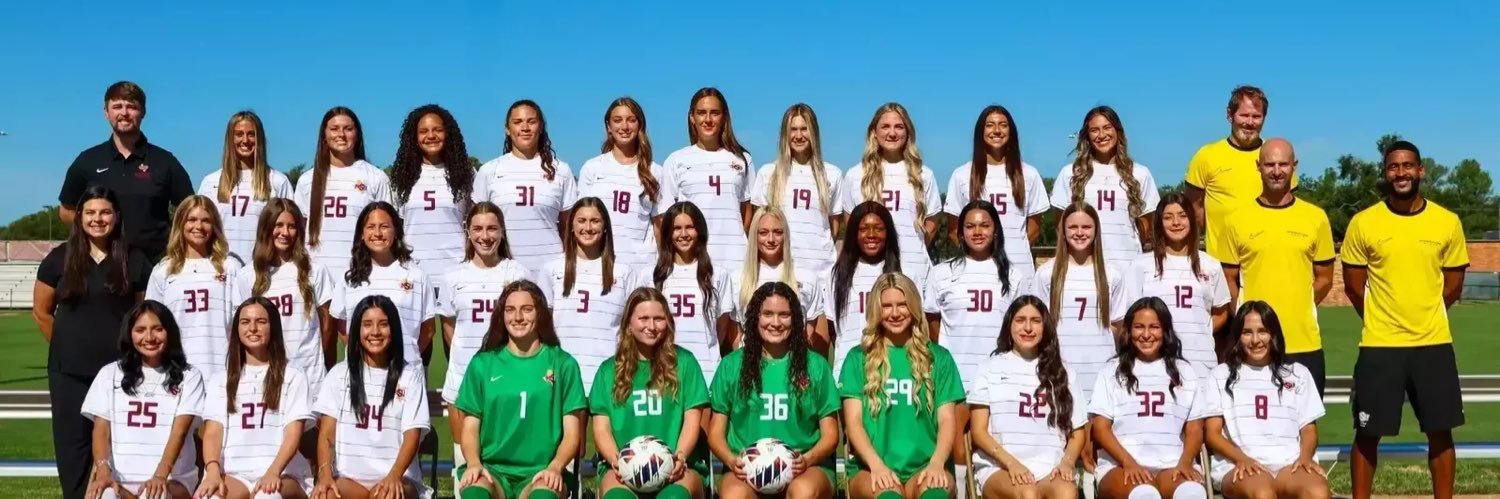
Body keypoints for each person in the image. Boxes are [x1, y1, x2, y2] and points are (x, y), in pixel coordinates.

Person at [1341, 140, 1469, 499]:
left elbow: (1454, 286)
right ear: (1385, 172)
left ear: (1421, 170)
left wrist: (1423, 314)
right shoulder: (1364, 222)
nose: (1401, 173)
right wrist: (1385, 319)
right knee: (1367, 433)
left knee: (1441, 432)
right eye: (1394, 167)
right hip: (1381, 346)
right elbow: (1353, 287)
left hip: (1433, 344)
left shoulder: (1447, 221)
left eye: (1408, 166)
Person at [32, 186, 152, 498]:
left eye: (105, 212)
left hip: (121, 374)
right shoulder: (59, 259)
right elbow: (42, 312)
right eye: (90, 213)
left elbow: (143, 316)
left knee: (120, 455)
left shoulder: (134, 259)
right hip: (69, 375)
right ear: (80, 217)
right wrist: (66, 347)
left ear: (116, 216)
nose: (98, 219)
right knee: (74, 455)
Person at [1214, 138, 1334, 396]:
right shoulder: (1236, 220)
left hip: (1304, 342)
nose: (1276, 171)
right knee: (1253, 427)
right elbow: (1229, 281)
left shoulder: (1316, 218)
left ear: (1294, 166)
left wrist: (1299, 306)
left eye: (1283, 164)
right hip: (1255, 345)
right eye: (1270, 164)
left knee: (1305, 427)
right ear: (1258, 166)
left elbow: (1324, 279)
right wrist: (1249, 324)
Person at [454, 280, 586, 499]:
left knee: (544, 495)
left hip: (541, 471)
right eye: (510, 310)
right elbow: (469, 428)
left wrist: (555, 467)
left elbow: (572, 434)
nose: (517, 318)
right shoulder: (482, 364)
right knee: (475, 491)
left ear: (541, 314)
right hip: (492, 470)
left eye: (527, 310)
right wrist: (474, 463)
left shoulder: (563, 364)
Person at [709, 282, 839, 499]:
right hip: (747, 470)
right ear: (755, 318)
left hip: (804, 468)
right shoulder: (731, 365)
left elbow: (831, 434)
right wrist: (733, 461)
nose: (776, 323)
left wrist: (807, 459)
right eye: (767, 314)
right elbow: (715, 433)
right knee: (735, 496)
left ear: (795, 319)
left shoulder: (815, 365)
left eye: (784, 315)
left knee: (804, 492)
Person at [839, 273, 962, 499]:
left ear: (914, 306)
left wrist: (936, 463)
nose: (895, 313)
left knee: (935, 495)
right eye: (886, 306)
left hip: (926, 465)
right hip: (871, 467)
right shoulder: (857, 358)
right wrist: (877, 466)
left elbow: (946, 420)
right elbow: (853, 423)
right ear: (876, 309)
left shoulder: (939, 358)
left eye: (902, 305)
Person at [438, 202, 533, 475]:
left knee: (504, 457)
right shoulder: (453, 276)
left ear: (502, 232)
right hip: (463, 378)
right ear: (467, 232)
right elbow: (449, 327)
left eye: (492, 228)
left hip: (508, 378)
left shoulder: (517, 273)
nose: (485, 236)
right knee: (464, 458)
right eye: (477, 229)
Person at [590, 288, 712, 499]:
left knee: (673, 497)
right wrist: (617, 462)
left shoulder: (685, 363)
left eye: (659, 319)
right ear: (628, 323)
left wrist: (679, 458)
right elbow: (602, 428)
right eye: (643, 318)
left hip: (678, 467)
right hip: (622, 468)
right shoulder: (607, 371)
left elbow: (693, 421)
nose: (652, 326)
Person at [1089, 298, 1212, 499]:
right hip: (1121, 464)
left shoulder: (1185, 372)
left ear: (1165, 330)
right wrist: (1128, 462)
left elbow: (1195, 428)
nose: (1146, 335)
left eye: (1154, 327)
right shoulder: (1111, 371)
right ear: (1128, 331)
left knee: (1192, 493)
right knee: (1145, 494)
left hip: (1172, 463)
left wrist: (1186, 461)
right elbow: (1101, 428)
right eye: (1139, 327)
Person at [82, 300, 207, 499]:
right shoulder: (109, 373)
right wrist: (103, 470)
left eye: (157, 329)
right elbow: (101, 429)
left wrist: (160, 475)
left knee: (154, 495)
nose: (149, 337)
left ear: (170, 332)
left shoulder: (189, 375)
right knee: (104, 495)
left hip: (172, 481)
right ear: (129, 334)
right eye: (140, 330)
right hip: (119, 479)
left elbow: (180, 432)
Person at [1205, 301, 1329, 499]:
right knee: (1263, 493)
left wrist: (1305, 458)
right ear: (1237, 336)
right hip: (1239, 465)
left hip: (1290, 465)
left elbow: (1308, 429)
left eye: (1262, 331)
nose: (1255, 340)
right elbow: (1212, 434)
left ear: (1273, 334)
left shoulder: (1297, 373)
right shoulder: (1221, 375)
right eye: (1247, 332)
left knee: (1318, 492)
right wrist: (1242, 459)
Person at [58, 81, 194, 263]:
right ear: (106, 112)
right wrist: (95, 235)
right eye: (117, 107)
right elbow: (66, 210)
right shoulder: (87, 161)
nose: (124, 113)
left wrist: (175, 246)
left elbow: (190, 210)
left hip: (155, 266)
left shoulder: (165, 161)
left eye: (131, 107)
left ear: (143, 112)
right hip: (103, 266)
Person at [311, 295, 431, 499]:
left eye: (383, 324)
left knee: (385, 495)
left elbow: (412, 435)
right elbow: (327, 434)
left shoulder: (410, 376)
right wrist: (324, 475)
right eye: (367, 324)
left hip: (399, 479)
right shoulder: (339, 375)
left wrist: (394, 476)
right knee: (326, 495)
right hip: (349, 479)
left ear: (393, 330)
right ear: (356, 330)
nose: (375, 332)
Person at [196, 297, 317, 499]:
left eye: (261, 321)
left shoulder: (293, 376)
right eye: (245, 322)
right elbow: (213, 432)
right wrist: (212, 470)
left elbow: (293, 433)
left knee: (266, 496)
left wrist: (273, 471)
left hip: (284, 473)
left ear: (274, 327)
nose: (253, 328)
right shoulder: (220, 379)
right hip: (234, 473)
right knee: (209, 497)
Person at [970, 296, 1086, 499]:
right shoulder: (989, 368)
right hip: (1000, 467)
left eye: (1035, 321)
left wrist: (1067, 461)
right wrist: (1012, 464)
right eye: (1020, 320)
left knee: (1066, 492)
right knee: (1028, 493)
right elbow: (978, 432)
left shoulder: (1063, 371)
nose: (1028, 328)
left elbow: (1077, 431)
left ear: (1045, 326)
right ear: (1009, 325)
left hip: (1050, 467)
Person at [538, 197, 644, 392]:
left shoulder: (624, 272)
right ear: (571, 225)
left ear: (605, 226)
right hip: (562, 375)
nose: (588, 227)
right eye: (581, 220)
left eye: (595, 221)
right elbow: (542, 328)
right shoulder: (551, 269)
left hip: (609, 375)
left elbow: (632, 328)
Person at [230, 199, 337, 392]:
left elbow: (328, 324)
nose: (285, 233)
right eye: (278, 225)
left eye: (292, 226)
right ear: (266, 227)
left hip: (309, 375)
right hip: (265, 375)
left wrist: (323, 362)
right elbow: (240, 329)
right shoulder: (247, 275)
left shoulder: (316, 270)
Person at [1123, 194, 1231, 373]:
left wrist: (1198, 329)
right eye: (1168, 217)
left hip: (1200, 359)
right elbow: (1130, 316)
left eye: (1182, 215)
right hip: (1156, 359)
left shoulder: (1210, 264)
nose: (1176, 222)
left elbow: (1221, 312)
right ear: (1159, 222)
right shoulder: (1141, 265)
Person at [837, 103, 941, 281]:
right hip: (870, 270)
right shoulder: (855, 175)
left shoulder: (924, 174)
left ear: (908, 132)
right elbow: (851, 224)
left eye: (899, 127)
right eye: (885, 126)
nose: (892, 133)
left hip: (915, 269)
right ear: (874, 133)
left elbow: (932, 222)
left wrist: (910, 249)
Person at [1035, 203, 1127, 403]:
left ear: (1096, 230)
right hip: (1059, 368)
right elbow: (1039, 325)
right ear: (1062, 230)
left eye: (1086, 227)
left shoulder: (1113, 274)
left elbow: (1118, 327)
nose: (1079, 233)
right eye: (1072, 227)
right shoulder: (1045, 274)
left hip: (1100, 368)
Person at [943, 105, 1048, 278]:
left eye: (1003, 125)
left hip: (1020, 267)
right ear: (980, 131)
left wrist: (1013, 248)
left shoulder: (1029, 174)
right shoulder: (961, 175)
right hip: (977, 267)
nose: (997, 130)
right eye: (990, 125)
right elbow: (954, 227)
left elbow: (1035, 227)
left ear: (1011, 131)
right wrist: (977, 253)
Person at [1048, 106, 1159, 270]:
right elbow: (1061, 223)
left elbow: (1146, 226)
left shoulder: (1140, 173)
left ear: (1118, 131)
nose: (1101, 135)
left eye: (1107, 128)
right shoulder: (1070, 173)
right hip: (1084, 266)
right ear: (1087, 136)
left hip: (1127, 265)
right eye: (1094, 130)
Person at [474, 100, 579, 270]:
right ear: (507, 129)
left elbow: (568, 228)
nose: (525, 128)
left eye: (531, 121)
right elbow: (477, 227)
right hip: (503, 268)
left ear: (541, 126)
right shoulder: (488, 171)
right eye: (517, 122)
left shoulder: (561, 170)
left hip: (551, 267)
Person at [660, 87, 755, 270]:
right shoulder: (676, 160)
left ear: (724, 117)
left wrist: (735, 238)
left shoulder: (742, 159)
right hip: (693, 260)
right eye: (702, 113)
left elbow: (747, 210)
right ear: (692, 118)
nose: (708, 119)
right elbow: (666, 215)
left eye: (715, 113)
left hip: (736, 261)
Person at [147, 194, 243, 375]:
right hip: (177, 369)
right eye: (191, 219)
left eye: (206, 220)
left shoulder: (230, 267)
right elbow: (154, 324)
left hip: (221, 368)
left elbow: (241, 320)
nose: (198, 226)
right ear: (181, 223)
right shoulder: (163, 271)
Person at [294, 106, 392, 281]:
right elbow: (298, 232)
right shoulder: (307, 180)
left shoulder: (376, 177)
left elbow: (388, 230)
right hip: (316, 274)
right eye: (334, 129)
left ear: (357, 134)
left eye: (348, 129)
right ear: (324, 136)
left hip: (361, 272)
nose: (341, 134)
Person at [333, 202, 434, 366]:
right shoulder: (349, 277)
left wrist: (407, 356)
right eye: (371, 227)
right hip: (360, 372)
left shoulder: (416, 275)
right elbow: (342, 325)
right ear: (362, 233)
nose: (378, 233)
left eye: (384, 226)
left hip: (405, 372)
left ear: (395, 231)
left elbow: (428, 329)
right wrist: (366, 355)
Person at [1184, 86, 1279, 260]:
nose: (1250, 122)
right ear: (1230, 115)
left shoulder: (1277, 157)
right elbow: (1193, 209)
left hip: (1268, 261)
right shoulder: (1206, 156)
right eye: (1244, 115)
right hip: (1222, 263)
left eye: (1256, 116)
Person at [391, 104, 474, 304]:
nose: (431, 136)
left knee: (455, 335)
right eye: (424, 131)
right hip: (413, 270)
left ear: (448, 133)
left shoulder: (466, 174)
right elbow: (396, 227)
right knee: (417, 335)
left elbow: (473, 222)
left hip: (456, 268)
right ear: (414, 137)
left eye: (437, 130)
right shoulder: (401, 178)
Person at [750, 104, 842, 278]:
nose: (798, 136)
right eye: (793, 130)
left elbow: (833, 226)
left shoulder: (832, 174)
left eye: (804, 129)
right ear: (785, 134)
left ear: (813, 132)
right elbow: (759, 227)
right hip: (780, 271)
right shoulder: (768, 173)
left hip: (821, 272)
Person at [579, 96, 666, 271]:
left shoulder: (655, 171)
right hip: (602, 265)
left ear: (639, 125)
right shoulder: (592, 168)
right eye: (617, 121)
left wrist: (664, 267)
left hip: (642, 268)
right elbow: (580, 222)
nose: (624, 127)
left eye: (631, 120)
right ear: (608, 127)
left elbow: (660, 226)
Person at [198, 110, 295, 262]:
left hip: (263, 269)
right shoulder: (210, 182)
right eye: (239, 134)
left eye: (251, 134)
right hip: (220, 270)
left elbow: (291, 230)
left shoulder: (278, 181)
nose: (245, 140)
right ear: (230, 139)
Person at [653, 201, 732, 384]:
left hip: (706, 372)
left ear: (700, 231)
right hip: (664, 371)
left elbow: (721, 327)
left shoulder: (718, 275)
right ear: (667, 233)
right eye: (676, 228)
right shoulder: (652, 275)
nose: (683, 234)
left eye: (690, 227)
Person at [724, 207, 824, 350]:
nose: (771, 239)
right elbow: (734, 332)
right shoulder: (736, 279)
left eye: (777, 232)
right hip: (752, 364)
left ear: (786, 235)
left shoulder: (807, 277)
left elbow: (809, 330)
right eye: (763, 233)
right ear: (754, 235)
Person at [823, 202, 904, 377]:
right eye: (864, 229)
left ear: (888, 233)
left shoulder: (905, 275)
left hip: (891, 373)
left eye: (879, 228)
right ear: (854, 233)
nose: (871, 235)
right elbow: (833, 331)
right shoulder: (836, 276)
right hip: (848, 374)